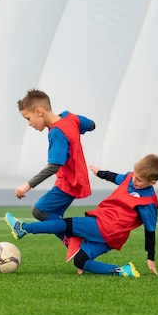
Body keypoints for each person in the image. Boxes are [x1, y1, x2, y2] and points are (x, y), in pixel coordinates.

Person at [5, 154, 158, 278]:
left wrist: (151, 257)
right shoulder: (130, 178)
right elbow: (117, 178)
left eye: (139, 180)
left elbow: (150, 231)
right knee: (79, 261)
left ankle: (23, 228)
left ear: (153, 182)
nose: (134, 180)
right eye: (134, 175)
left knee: (66, 224)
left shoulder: (148, 203)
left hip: (105, 225)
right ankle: (122, 271)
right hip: (111, 237)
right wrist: (99, 172)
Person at [14, 89, 95, 225]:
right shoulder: (70, 118)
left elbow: (53, 166)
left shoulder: (56, 132)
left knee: (39, 211)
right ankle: (73, 242)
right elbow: (92, 125)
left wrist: (27, 185)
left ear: (39, 112)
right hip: (77, 180)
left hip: (68, 183)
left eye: (28, 118)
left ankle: (81, 230)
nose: (29, 124)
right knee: (54, 216)